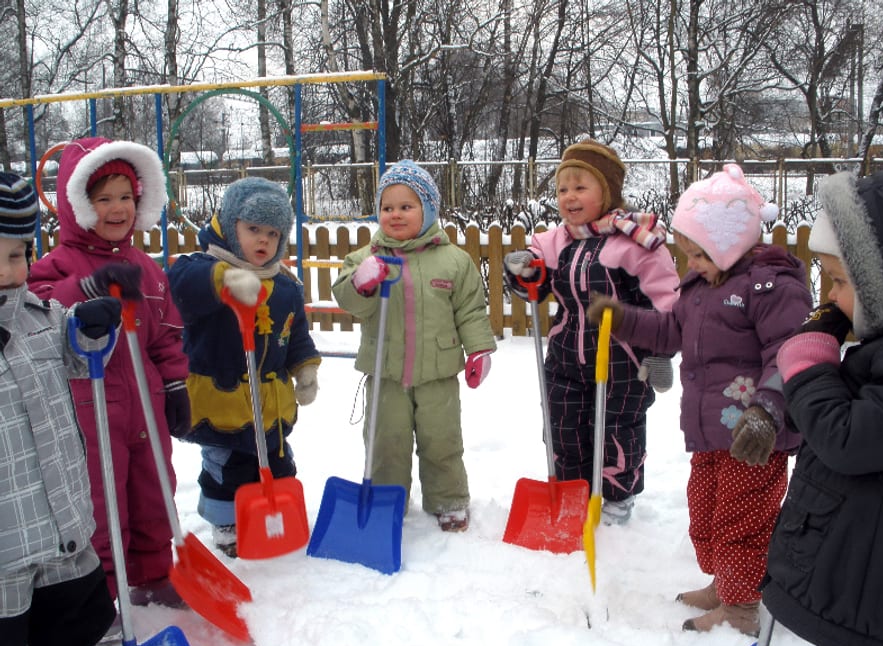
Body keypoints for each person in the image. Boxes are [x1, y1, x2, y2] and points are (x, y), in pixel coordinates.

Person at [587, 163, 811, 635]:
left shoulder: (770, 287)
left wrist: (767, 412)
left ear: (730, 244)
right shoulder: (702, 286)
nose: (691, 265)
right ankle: (726, 582)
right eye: (687, 254)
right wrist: (623, 319)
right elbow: (670, 330)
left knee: (741, 522)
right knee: (707, 514)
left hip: (754, 434)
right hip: (711, 431)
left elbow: (789, 354)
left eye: (699, 255)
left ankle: (742, 607)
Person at [27, 138, 191, 612]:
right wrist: (83, 289)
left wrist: (176, 384)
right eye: (104, 199)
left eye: (126, 197)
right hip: (90, 409)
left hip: (146, 404)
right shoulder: (57, 264)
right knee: (101, 506)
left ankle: (154, 574)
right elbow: (39, 310)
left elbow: (165, 333)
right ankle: (102, 595)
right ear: (79, 204)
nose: (117, 209)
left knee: (154, 493)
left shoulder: (145, 268)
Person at [762, 167, 883, 646]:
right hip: (858, 589)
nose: (829, 298)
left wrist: (807, 367)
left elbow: (847, 439)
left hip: (875, 618)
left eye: (841, 281)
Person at [502, 138, 680, 525]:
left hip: (623, 362)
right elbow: (539, 285)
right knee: (563, 428)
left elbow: (664, 301)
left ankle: (616, 499)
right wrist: (526, 272)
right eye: (563, 189)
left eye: (581, 187)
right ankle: (572, 493)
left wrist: (659, 353)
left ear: (608, 192)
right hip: (566, 357)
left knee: (618, 430)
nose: (569, 197)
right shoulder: (554, 242)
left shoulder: (634, 243)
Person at [332, 160, 496, 533]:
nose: (396, 215)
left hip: (438, 373)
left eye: (407, 206)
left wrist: (480, 350)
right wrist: (362, 282)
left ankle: (448, 498)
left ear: (428, 210)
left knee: (442, 440)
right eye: (387, 208)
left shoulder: (453, 260)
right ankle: (387, 500)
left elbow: (470, 310)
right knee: (385, 442)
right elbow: (348, 301)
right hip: (385, 372)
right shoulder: (365, 258)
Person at [0, 172, 119, 646]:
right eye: (3, 255)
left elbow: (79, 357)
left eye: (20, 254)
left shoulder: (39, 315)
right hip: (4, 552)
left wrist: (90, 329)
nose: (16, 268)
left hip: (64, 532)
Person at [168, 176, 321, 557]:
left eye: (273, 233)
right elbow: (178, 286)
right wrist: (222, 281)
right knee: (226, 464)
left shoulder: (284, 286)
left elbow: (296, 334)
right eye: (253, 229)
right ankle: (227, 522)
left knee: (277, 460)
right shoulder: (202, 268)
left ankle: (278, 516)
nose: (263, 241)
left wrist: (305, 369)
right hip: (222, 397)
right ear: (229, 224)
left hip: (269, 400)